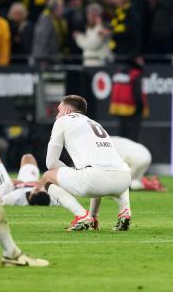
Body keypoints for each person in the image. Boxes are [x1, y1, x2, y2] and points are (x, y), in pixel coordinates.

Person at [41, 95, 133, 231]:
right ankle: (124, 210)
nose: (56, 116)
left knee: (47, 177)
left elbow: (51, 163)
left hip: (95, 178)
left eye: (58, 111)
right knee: (104, 170)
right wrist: (94, 215)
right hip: (124, 180)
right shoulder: (95, 123)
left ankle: (81, 215)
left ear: (67, 112)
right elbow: (100, 169)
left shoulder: (62, 121)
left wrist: (73, 172)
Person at [0, 152, 89, 227]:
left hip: (10, 188)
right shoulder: (54, 199)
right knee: (28, 157)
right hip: (29, 183)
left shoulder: (13, 199)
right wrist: (41, 183)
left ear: (33, 192)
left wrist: (11, 182)